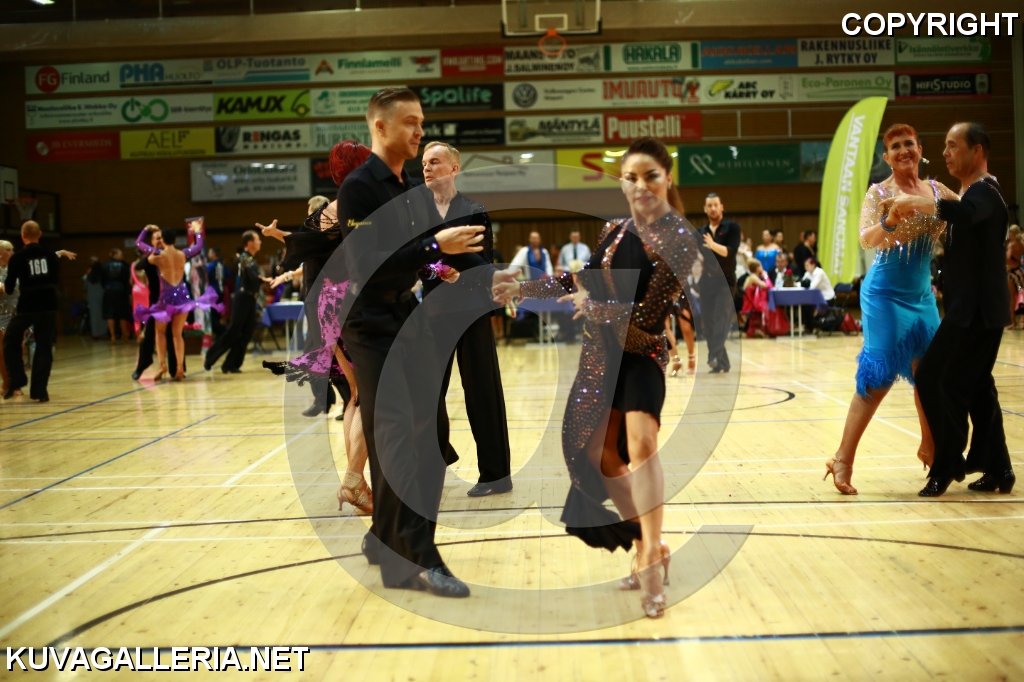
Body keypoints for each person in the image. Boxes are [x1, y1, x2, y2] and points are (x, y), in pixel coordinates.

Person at [493, 137, 699, 619]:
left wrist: (595, 307)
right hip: (600, 358)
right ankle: (649, 542)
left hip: (641, 354)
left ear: (667, 179)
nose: (640, 185)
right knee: (599, 457)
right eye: (631, 177)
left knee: (642, 442)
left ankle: (651, 562)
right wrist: (521, 287)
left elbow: (646, 319)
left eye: (650, 176)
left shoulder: (680, 238)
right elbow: (575, 280)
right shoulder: (613, 229)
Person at [338, 87, 489, 597]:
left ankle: (386, 537)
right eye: (410, 122)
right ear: (379, 127)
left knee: (432, 437)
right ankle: (414, 561)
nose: (420, 131)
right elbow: (366, 263)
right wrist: (432, 245)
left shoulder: (410, 188)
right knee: (401, 441)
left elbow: (414, 257)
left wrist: (449, 266)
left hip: (405, 317)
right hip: (371, 326)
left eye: (421, 121)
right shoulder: (359, 188)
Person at [824, 123, 957, 495]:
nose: (903, 150)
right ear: (887, 156)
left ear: (920, 149)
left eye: (908, 143)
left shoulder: (937, 191)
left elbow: (967, 213)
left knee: (929, 374)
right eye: (895, 146)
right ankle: (842, 458)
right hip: (884, 294)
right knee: (877, 378)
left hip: (922, 295)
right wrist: (889, 221)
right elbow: (866, 238)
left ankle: (930, 445)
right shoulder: (879, 192)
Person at [890, 122, 1013, 497]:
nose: (945, 152)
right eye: (943, 145)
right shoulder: (970, 194)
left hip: (975, 312)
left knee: (933, 377)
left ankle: (948, 464)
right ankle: (999, 467)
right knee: (977, 386)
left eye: (953, 145)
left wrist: (916, 202)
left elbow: (967, 213)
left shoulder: (986, 191)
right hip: (971, 309)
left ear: (977, 151)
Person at [263, 141, 373, 513]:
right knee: (370, 396)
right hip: (347, 308)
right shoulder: (356, 209)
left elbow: (302, 247)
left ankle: (358, 481)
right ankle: (354, 481)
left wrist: (279, 237)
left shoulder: (323, 213)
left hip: (324, 309)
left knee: (355, 395)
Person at [419, 140, 512, 496]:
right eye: (424, 162)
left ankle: (496, 476)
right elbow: (414, 258)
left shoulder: (474, 210)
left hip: (472, 310)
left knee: (482, 392)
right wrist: (437, 269)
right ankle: (435, 460)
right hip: (433, 313)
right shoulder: (417, 212)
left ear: (454, 168)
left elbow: (481, 259)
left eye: (434, 161)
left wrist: (459, 272)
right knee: (426, 393)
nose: (427, 167)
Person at [259, 192, 354, 418]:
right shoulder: (319, 241)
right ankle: (324, 400)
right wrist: (287, 276)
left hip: (324, 299)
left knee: (329, 351)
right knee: (314, 352)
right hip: (314, 298)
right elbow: (307, 262)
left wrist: (275, 233)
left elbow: (295, 239)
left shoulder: (326, 236)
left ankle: (349, 399)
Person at [134, 223, 222, 381]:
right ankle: (180, 367)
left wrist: (146, 229)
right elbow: (198, 246)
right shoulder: (183, 254)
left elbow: (139, 243)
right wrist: (197, 232)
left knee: (160, 333)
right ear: (175, 240)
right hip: (182, 297)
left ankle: (162, 365)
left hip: (165, 298)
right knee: (177, 334)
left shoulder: (158, 255)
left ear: (163, 240)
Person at [1, 221, 76, 402]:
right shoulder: (50, 255)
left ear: (22, 235)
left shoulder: (18, 258)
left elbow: (9, 289)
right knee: (44, 347)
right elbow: (55, 279)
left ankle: (17, 379)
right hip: (48, 306)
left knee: (10, 341)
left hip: (26, 306)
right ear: (40, 234)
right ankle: (40, 391)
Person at [204, 231, 265, 374]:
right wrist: (264, 279)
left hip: (251, 299)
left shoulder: (251, 258)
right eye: (258, 239)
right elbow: (251, 275)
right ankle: (210, 357)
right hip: (242, 298)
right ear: (249, 243)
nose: (260, 242)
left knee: (247, 333)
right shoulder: (244, 257)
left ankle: (230, 363)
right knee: (233, 331)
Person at [697, 193, 741, 373]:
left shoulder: (732, 227)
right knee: (707, 323)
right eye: (710, 205)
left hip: (725, 281)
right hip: (707, 280)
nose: (713, 208)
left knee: (721, 318)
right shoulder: (700, 232)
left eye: (716, 205)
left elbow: (730, 252)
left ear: (722, 207)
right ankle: (723, 363)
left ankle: (714, 356)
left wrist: (712, 245)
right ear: (705, 209)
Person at [132, 228, 183, 381]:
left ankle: (176, 369)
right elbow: (137, 266)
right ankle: (142, 365)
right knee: (149, 335)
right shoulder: (151, 257)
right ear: (152, 242)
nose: (159, 240)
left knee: (175, 334)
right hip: (156, 302)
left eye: (161, 237)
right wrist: (149, 260)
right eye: (156, 238)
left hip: (174, 301)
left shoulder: (174, 256)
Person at [99, 249, 133, 342]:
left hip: (109, 291)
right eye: (121, 254)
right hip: (121, 291)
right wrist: (128, 293)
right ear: (115, 254)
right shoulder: (124, 266)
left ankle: (112, 336)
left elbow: (102, 281)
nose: (123, 256)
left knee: (110, 314)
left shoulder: (105, 266)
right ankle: (124, 334)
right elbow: (127, 280)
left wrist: (107, 287)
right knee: (122, 314)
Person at [0, 240, 17, 397]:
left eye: (12, 249)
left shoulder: (14, 268)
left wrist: (59, 253)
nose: (12, 253)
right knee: (3, 351)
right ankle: (7, 382)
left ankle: (16, 383)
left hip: (16, 312)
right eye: (8, 250)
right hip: (1, 313)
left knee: (18, 349)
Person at [741, 258, 772, 337]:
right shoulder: (753, 277)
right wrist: (765, 276)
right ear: (758, 268)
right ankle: (753, 331)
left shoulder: (754, 277)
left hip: (752, 303)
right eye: (761, 266)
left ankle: (756, 330)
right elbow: (767, 286)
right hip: (750, 304)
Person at [206, 246, 231, 336]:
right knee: (217, 315)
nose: (208, 254)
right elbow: (228, 275)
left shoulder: (210, 266)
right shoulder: (222, 265)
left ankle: (223, 333)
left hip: (213, 293)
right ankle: (221, 335)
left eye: (209, 252)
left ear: (214, 254)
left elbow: (205, 276)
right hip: (221, 292)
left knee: (212, 316)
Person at [1005, 225, 1024, 330]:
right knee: (1022, 295)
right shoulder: (1022, 243)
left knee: (1012, 298)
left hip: (1012, 274)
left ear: (1012, 234)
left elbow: (1007, 258)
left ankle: (1013, 322)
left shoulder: (1011, 245)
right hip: (1021, 272)